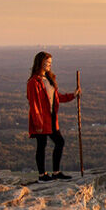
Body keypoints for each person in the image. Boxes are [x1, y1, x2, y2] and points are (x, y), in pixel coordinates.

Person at [26, 51, 80, 182]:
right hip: (41, 119)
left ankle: (56, 172)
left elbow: (57, 98)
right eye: (47, 62)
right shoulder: (33, 82)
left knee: (59, 142)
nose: (49, 65)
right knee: (42, 145)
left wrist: (73, 95)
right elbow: (34, 104)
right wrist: (38, 123)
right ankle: (42, 175)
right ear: (40, 62)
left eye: (50, 63)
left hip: (51, 118)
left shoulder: (49, 79)